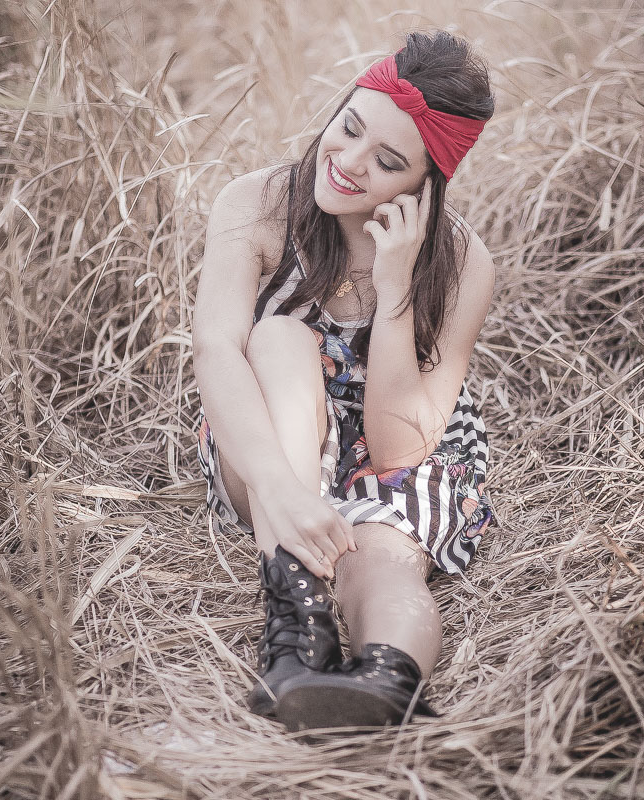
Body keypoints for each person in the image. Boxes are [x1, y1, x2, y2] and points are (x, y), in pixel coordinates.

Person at [193, 30, 497, 731]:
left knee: (381, 560)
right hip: (270, 435)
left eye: (388, 161)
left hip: (398, 434)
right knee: (277, 337)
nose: (350, 161)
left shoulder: (462, 263)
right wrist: (278, 486)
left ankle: (385, 682)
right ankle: (297, 632)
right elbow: (216, 350)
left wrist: (395, 289)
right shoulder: (256, 203)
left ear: (425, 184)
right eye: (350, 127)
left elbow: (397, 450)